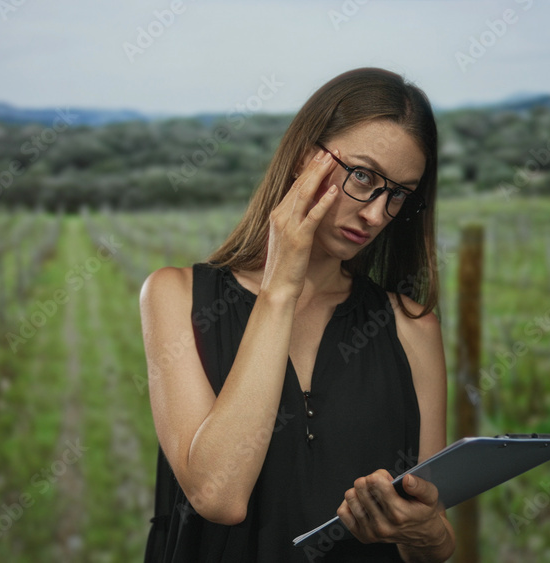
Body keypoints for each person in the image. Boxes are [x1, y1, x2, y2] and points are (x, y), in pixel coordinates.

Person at [140, 67, 455, 562]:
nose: (376, 214)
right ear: (306, 158)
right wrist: (281, 287)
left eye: (398, 194)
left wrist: (428, 533)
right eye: (363, 176)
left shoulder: (412, 328)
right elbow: (218, 496)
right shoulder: (175, 296)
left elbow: (428, 539)